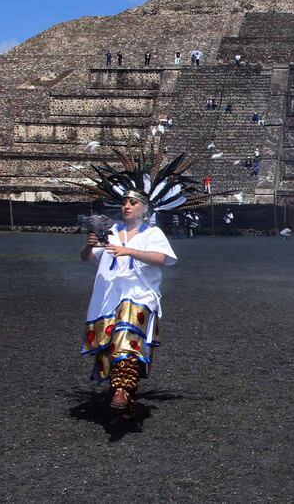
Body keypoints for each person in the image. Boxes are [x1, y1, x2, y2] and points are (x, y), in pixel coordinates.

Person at [78, 144, 201, 419]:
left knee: (126, 337)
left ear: (144, 210)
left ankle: (122, 392)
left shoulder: (152, 232)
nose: (126, 206)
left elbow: (162, 258)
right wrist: (88, 246)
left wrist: (129, 250)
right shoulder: (110, 230)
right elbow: (87, 258)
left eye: (132, 203)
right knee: (109, 347)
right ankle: (123, 392)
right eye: (124, 202)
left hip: (138, 296)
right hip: (107, 296)